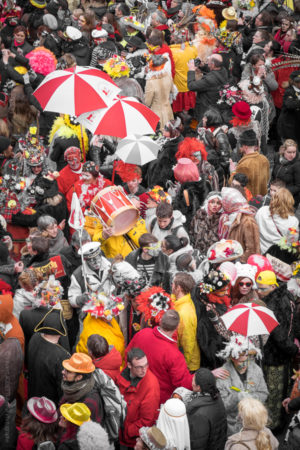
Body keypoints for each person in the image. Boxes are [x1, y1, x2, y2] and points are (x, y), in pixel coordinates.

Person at [256, 270, 299, 431]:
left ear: (273, 286)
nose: (258, 292)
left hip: (276, 358)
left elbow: (279, 337)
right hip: (283, 354)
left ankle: (272, 427)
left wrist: (293, 349)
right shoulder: (286, 294)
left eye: (262, 289)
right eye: (258, 288)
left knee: (273, 393)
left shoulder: (272, 306)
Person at [126, 310, 193, 404]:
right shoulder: (175, 355)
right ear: (177, 327)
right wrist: (203, 376)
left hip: (134, 388)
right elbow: (182, 383)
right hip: (157, 399)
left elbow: (127, 355)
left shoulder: (142, 333)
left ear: (160, 320)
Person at [216, 335, 269, 436]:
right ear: (232, 358)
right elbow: (221, 405)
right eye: (240, 362)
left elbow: (264, 393)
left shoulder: (256, 369)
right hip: (233, 426)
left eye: (246, 360)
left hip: (254, 422)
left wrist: (251, 399)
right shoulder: (223, 374)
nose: (244, 365)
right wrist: (237, 397)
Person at [117, 348, 160, 449]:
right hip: (120, 432)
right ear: (129, 366)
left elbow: (147, 420)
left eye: (146, 365)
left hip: (133, 439)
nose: (144, 370)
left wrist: (127, 430)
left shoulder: (151, 385)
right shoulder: (123, 374)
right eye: (139, 367)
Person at [27, 308, 70, 405]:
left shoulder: (35, 337)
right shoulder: (61, 355)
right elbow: (62, 387)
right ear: (60, 334)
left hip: (33, 393)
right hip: (48, 403)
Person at [186, 368, 227, 450]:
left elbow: (198, 443)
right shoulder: (217, 397)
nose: (192, 382)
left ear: (198, 387)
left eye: (193, 380)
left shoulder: (198, 414)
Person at [219, 187, 260, 262]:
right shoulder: (233, 216)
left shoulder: (247, 222)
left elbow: (252, 249)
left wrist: (239, 262)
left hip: (243, 266)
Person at [61, 353, 104, 424]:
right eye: (64, 369)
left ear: (79, 377)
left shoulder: (90, 402)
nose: (62, 372)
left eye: (68, 371)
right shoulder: (70, 386)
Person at [255, 188, 299, 254]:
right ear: (290, 202)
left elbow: (255, 228)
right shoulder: (293, 221)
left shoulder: (262, 211)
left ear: (273, 199)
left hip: (259, 250)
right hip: (276, 255)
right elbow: (292, 241)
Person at [171, 272, 200, 371]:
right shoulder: (184, 299)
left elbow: (188, 342)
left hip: (188, 365)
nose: (171, 286)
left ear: (178, 288)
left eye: (173, 284)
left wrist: (184, 366)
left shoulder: (184, 313)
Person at [187, 54, 229, 122]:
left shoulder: (210, 80)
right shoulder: (223, 70)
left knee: (203, 124)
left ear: (212, 64)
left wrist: (191, 70)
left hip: (206, 107)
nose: (206, 62)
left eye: (207, 61)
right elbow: (214, 72)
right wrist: (203, 66)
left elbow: (191, 86)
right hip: (215, 104)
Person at [229, 129, 270, 197]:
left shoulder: (244, 165)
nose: (239, 147)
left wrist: (233, 171)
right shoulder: (264, 159)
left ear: (245, 147)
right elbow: (267, 179)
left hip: (250, 201)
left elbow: (235, 186)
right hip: (261, 199)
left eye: (240, 145)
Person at [144, 54, 175, 130]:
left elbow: (147, 102)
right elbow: (172, 91)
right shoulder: (168, 76)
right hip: (168, 111)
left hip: (156, 113)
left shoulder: (150, 82)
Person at [190, 191, 222, 255]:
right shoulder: (198, 215)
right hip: (198, 254)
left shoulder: (221, 219)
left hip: (214, 255)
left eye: (218, 203)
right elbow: (191, 233)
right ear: (207, 202)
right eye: (212, 202)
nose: (215, 205)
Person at [272, 139, 300, 207]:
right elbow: (273, 174)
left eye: (294, 152)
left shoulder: (297, 165)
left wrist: (282, 191)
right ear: (284, 151)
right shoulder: (277, 157)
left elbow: (298, 186)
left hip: (289, 199)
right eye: (289, 152)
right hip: (275, 195)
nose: (292, 155)